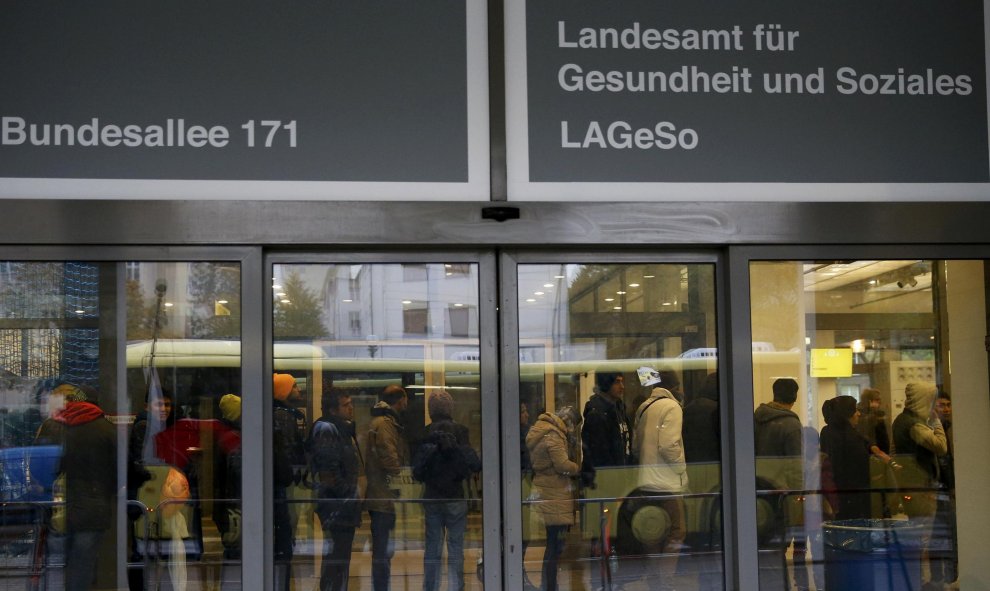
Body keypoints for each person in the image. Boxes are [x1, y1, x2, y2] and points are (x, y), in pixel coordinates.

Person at [35, 383, 115, 591]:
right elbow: (118, 469)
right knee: (83, 564)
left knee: (60, 564)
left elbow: (40, 467)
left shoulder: (54, 426)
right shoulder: (105, 428)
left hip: (59, 507)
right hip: (93, 508)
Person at [412, 391, 481, 591]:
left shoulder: (426, 433)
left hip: (432, 496)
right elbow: (473, 464)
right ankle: (456, 587)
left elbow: (418, 470)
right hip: (455, 496)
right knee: (456, 547)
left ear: (430, 410)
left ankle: (430, 587)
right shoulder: (461, 431)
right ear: (451, 408)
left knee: (432, 548)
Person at [627, 366, 688, 563]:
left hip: (646, 482)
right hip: (667, 483)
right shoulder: (672, 407)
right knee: (677, 532)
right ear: (674, 386)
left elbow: (636, 447)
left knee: (652, 530)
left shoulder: (644, 407)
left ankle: (655, 577)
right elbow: (669, 446)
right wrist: (681, 468)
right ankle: (665, 581)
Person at [893, 382, 948, 590]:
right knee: (924, 536)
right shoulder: (915, 424)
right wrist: (936, 421)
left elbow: (895, 454)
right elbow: (940, 447)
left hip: (910, 486)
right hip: (921, 488)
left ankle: (916, 580)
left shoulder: (900, 420)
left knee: (917, 535)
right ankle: (921, 582)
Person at [753, 378, 806, 591]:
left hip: (756, 492)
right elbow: (795, 467)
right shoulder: (791, 425)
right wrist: (798, 497)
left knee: (762, 546)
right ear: (794, 397)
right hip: (780, 496)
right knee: (778, 547)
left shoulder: (756, 419)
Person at [309, 390, 364, 591]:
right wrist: (349, 494)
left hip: (340, 502)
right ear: (333, 409)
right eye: (346, 405)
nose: (351, 408)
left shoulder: (339, 429)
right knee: (337, 556)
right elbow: (328, 472)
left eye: (351, 403)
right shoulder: (328, 429)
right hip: (336, 503)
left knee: (339, 556)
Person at [526, 406, 582, 591]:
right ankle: (550, 585)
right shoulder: (554, 434)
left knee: (553, 544)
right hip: (555, 491)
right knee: (554, 546)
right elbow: (562, 464)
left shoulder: (541, 429)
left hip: (545, 488)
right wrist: (577, 468)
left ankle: (550, 584)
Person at [364, 385, 410, 591]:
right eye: (406, 399)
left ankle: (382, 585)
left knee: (383, 548)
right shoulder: (385, 424)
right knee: (383, 548)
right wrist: (400, 475)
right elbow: (389, 457)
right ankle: (381, 587)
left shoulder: (382, 421)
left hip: (380, 492)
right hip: (382, 493)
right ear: (401, 400)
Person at [273, 373, 307, 590]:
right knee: (285, 526)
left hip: (282, 479)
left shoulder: (282, 414)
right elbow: (287, 451)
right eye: (294, 387)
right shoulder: (284, 416)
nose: (298, 391)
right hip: (284, 481)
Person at [819, 396, 871, 520]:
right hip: (852, 496)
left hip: (833, 494)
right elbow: (862, 469)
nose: (858, 414)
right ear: (847, 414)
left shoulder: (826, 432)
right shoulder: (851, 437)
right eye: (855, 410)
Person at [582, 371, 632, 469]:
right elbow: (597, 454)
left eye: (622, 382)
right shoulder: (597, 413)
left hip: (620, 474)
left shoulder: (619, 409)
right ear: (606, 384)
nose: (622, 386)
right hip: (606, 477)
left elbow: (626, 444)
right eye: (617, 382)